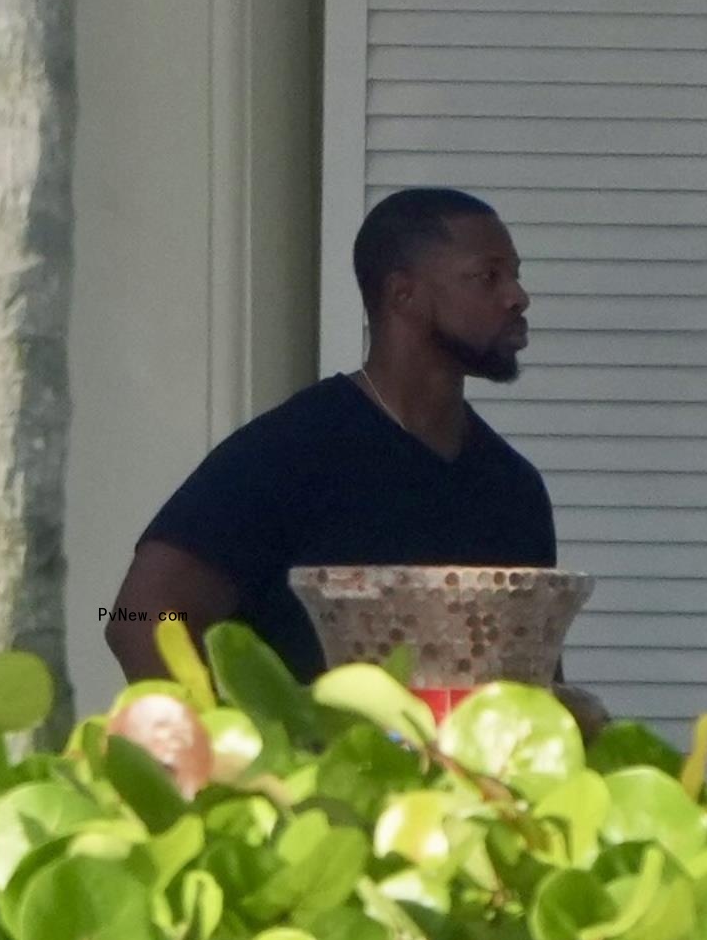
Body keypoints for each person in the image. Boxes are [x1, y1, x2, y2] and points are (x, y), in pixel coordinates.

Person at [106, 187, 557, 683]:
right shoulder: (291, 454)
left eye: (515, 274)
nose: (517, 296)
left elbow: (535, 675)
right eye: (487, 276)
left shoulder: (512, 489)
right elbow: (137, 617)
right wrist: (219, 751)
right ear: (402, 295)